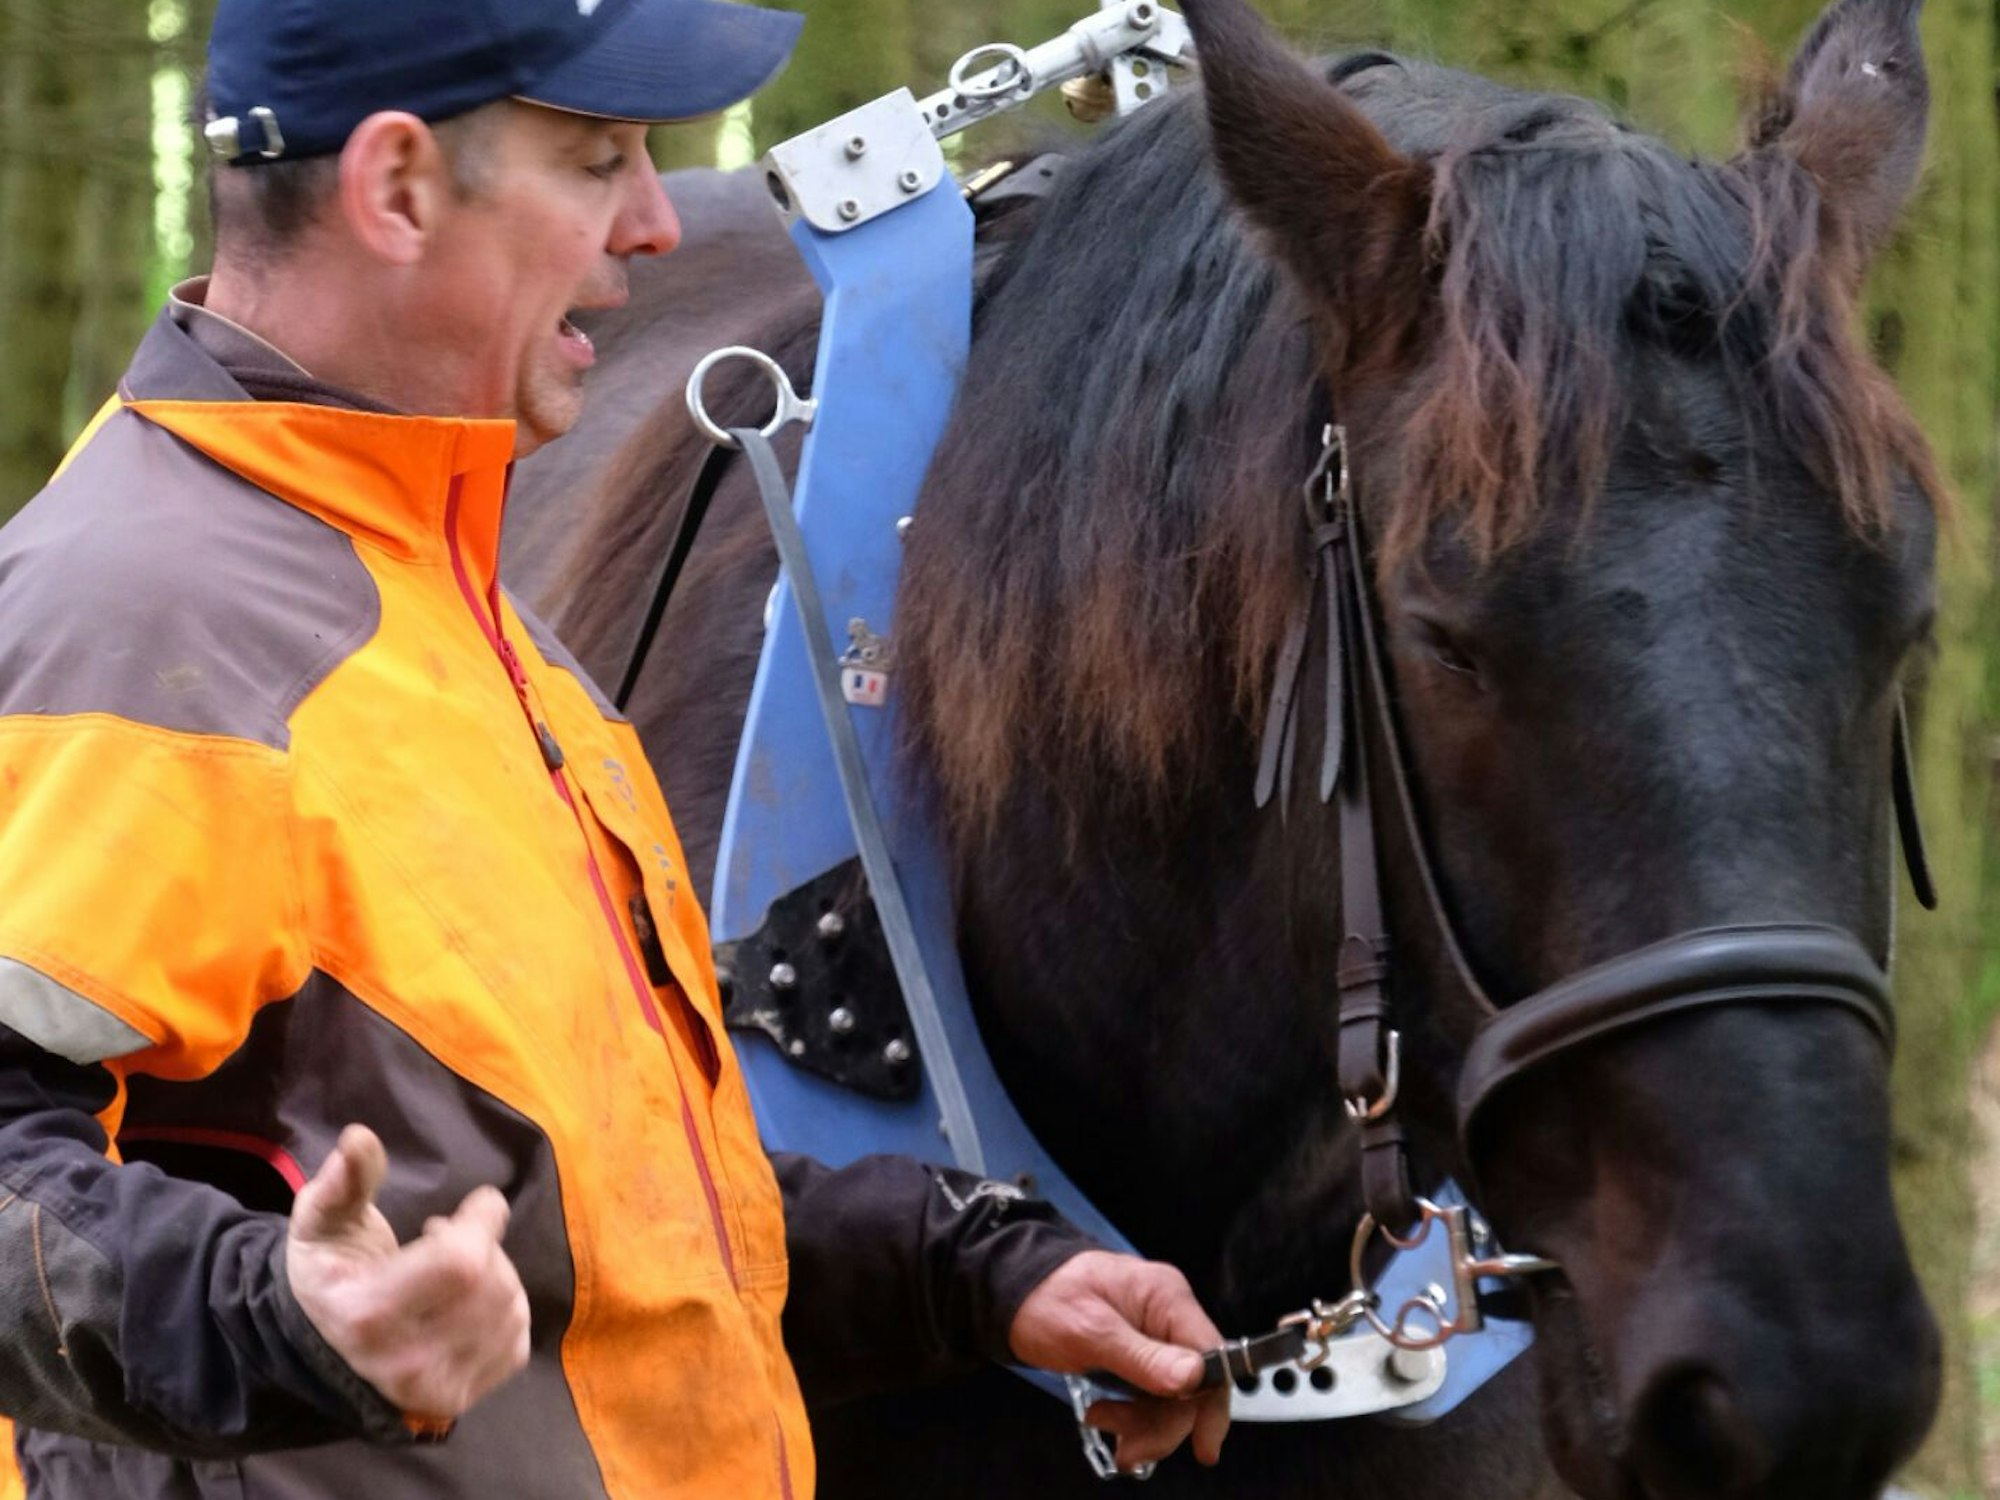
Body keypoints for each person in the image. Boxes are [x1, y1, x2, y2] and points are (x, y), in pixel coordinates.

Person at [0, 0, 1233, 1494]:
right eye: (598, 161)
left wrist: (963, 1271)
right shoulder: (145, 622)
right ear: (396, 187)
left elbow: (572, 1217)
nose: (656, 225)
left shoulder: (449, 608)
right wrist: (279, 1318)